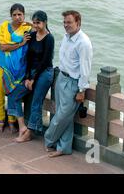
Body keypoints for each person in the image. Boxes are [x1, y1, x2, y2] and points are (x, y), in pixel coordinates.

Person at [44, 10, 93, 158]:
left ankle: (48, 139)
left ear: (78, 23)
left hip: (73, 83)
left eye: (69, 22)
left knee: (61, 117)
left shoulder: (83, 43)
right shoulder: (66, 37)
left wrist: (81, 90)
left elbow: (85, 68)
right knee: (65, 117)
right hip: (61, 78)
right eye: (64, 22)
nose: (66, 25)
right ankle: (63, 148)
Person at [0, 3, 32, 135]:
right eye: (14, 15)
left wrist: (29, 23)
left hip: (18, 67)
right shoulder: (4, 27)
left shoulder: (28, 28)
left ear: (24, 15)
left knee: (13, 92)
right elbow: (3, 47)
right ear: (11, 15)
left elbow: (43, 29)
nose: (17, 17)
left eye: (20, 14)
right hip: (1, 63)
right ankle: (1, 120)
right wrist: (21, 43)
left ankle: (12, 121)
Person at [17, 10, 55, 142]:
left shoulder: (49, 38)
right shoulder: (32, 36)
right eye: (34, 23)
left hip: (44, 72)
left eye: (38, 23)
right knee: (16, 94)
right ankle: (33, 126)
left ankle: (30, 131)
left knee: (36, 102)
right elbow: (28, 57)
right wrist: (27, 77)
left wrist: (34, 79)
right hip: (32, 71)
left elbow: (45, 61)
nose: (35, 25)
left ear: (45, 22)